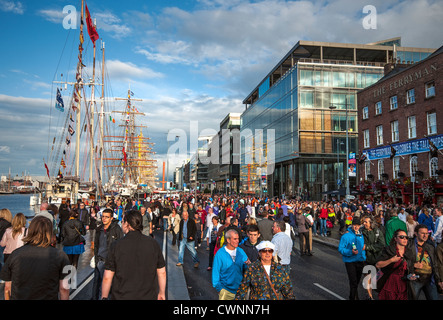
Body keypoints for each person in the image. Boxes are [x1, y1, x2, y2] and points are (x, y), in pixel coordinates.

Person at [0, 216, 71, 300]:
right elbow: (64, 289)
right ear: (50, 232)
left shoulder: (15, 254)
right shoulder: (60, 256)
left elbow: (7, 288)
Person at [101, 210, 166, 300]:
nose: (121, 224)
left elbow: (107, 277)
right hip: (148, 295)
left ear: (127, 224)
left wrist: (104, 296)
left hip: (121, 295)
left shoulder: (116, 245)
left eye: (122, 222)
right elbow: (162, 272)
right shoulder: (153, 243)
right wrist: (162, 292)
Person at [91, 208, 124, 300]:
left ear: (111, 218)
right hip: (99, 260)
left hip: (109, 262)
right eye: (103, 217)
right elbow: (96, 245)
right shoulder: (99, 229)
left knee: (106, 287)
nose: (104, 219)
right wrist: (96, 257)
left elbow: (120, 246)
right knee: (96, 284)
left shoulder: (116, 229)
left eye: (107, 217)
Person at [376, 229, 415, 300]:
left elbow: (411, 267)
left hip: (403, 283)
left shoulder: (409, 252)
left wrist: (412, 274)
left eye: (406, 237)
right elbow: (378, 265)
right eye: (402, 237)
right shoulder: (389, 250)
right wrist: (391, 260)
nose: (405, 239)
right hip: (390, 282)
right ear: (395, 239)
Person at [212, 229, 249, 300]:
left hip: (240, 290)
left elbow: (245, 267)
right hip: (225, 290)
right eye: (235, 239)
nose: (237, 241)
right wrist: (219, 288)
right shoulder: (220, 253)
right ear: (228, 240)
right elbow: (216, 271)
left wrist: (247, 265)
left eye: (238, 238)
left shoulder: (240, 251)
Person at [408, 224, 441, 300]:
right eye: (422, 233)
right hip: (416, 279)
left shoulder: (430, 246)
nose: (425, 235)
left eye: (427, 233)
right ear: (416, 233)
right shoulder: (410, 245)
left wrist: (438, 280)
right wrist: (413, 265)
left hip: (429, 279)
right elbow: (403, 261)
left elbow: (435, 264)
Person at [338, 216, 366, 300]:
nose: (356, 227)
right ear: (352, 225)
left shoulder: (361, 235)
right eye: (354, 225)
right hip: (350, 261)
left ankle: (354, 296)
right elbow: (340, 248)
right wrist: (350, 252)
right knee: (353, 281)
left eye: (358, 225)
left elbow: (363, 248)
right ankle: (352, 297)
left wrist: (363, 256)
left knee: (357, 281)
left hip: (360, 261)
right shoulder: (346, 236)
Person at [361, 215, 385, 300]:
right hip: (365, 258)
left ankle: (371, 293)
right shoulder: (362, 231)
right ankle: (369, 296)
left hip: (376, 258)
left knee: (373, 279)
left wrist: (367, 247)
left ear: (371, 223)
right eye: (364, 222)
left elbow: (382, 244)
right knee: (367, 277)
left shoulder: (377, 232)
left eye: (366, 222)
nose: (364, 223)